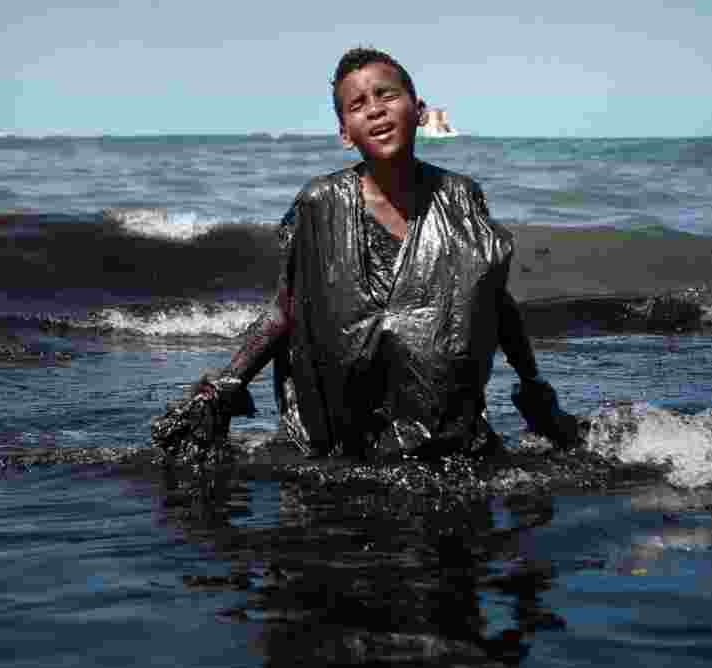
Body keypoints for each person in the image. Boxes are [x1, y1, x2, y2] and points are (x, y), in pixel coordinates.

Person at [191, 47, 580, 459]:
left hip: (444, 436)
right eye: (358, 105)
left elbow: (493, 301)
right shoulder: (320, 202)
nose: (375, 110)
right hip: (345, 443)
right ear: (345, 133)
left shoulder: (462, 196)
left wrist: (534, 388)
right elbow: (286, 309)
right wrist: (226, 386)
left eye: (387, 95)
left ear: (419, 110)